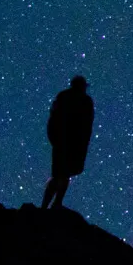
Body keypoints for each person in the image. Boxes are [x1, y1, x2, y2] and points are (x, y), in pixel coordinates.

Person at [41, 75, 94, 209]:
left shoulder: (64, 97)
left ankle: (48, 205)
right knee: (62, 174)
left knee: (60, 174)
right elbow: (86, 126)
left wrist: (54, 138)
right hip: (70, 143)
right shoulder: (84, 101)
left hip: (65, 143)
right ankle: (53, 204)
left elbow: (53, 119)